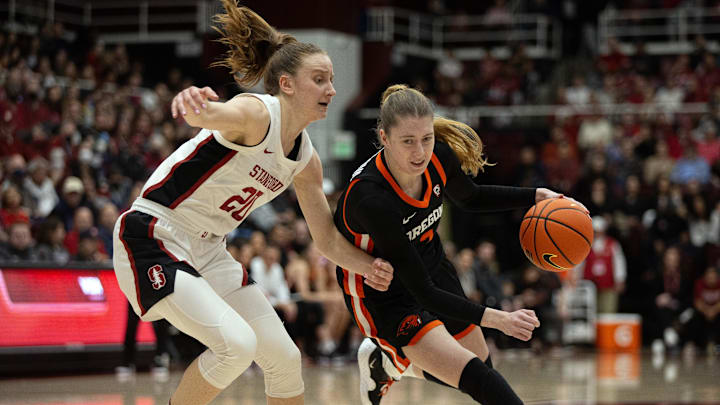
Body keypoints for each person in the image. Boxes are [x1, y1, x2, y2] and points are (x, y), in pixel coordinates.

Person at [112, 3, 392, 405]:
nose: (331, 89)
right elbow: (205, 115)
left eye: (331, 80)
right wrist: (196, 102)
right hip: (154, 234)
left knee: (284, 357)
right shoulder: (257, 112)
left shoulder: (306, 160)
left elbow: (326, 240)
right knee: (237, 346)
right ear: (287, 84)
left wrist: (371, 267)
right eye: (319, 79)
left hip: (209, 249)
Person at [334, 84, 586, 405]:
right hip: (383, 294)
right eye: (407, 142)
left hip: (432, 266)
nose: (419, 152)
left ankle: (386, 365)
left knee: (482, 370)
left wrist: (536, 195)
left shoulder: (438, 157)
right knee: (478, 378)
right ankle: (388, 359)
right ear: (384, 138)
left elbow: (471, 197)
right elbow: (422, 292)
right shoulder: (371, 198)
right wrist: (500, 319)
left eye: (426, 139)